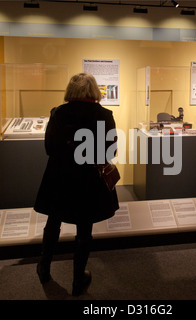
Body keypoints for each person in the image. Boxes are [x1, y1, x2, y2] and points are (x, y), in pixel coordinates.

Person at [34, 73, 119, 296]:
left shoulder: (59, 113)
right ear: (93, 91)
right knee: (84, 228)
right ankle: (77, 280)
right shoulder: (104, 115)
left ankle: (44, 268)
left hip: (59, 176)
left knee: (53, 220)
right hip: (88, 178)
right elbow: (110, 151)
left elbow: (50, 148)